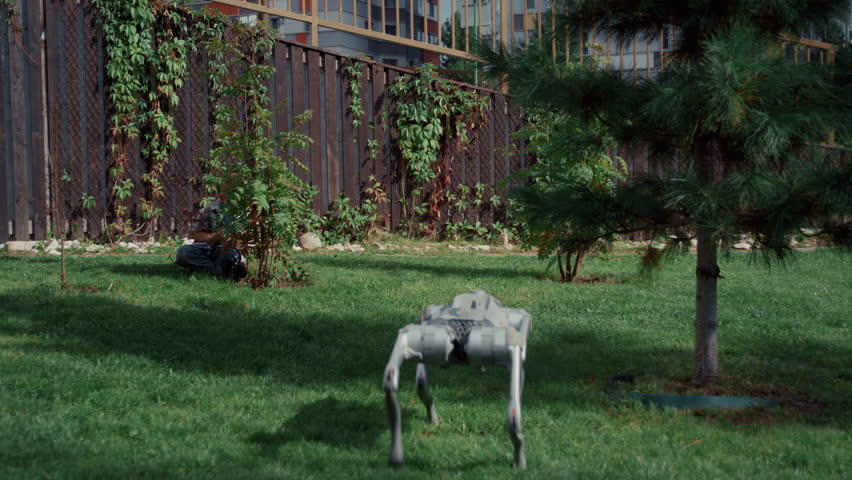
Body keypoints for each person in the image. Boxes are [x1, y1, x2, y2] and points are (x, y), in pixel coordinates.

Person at [175, 199, 248, 280]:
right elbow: (193, 234)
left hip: (226, 250)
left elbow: (243, 243)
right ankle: (217, 273)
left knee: (232, 255)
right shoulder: (209, 209)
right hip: (203, 247)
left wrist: (233, 242)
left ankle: (209, 272)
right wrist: (215, 235)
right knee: (183, 252)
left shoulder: (242, 212)